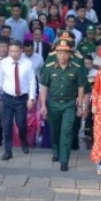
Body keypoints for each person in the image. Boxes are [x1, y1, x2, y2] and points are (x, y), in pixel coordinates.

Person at [40, 38, 87, 172]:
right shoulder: (49, 68)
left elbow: (81, 87)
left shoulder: (76, 69)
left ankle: (64, 160)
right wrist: (43, 105)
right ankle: (56, 149)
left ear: (70, 54)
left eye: (65, 52)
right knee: (55, 131)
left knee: (67, 131)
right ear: (56, 53)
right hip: (53, 104)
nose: (62, 55)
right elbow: (44, 87)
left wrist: (80, 105)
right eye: (59, 52)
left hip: (69, 104)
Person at [0, 40, 36, 160]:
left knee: (21, 124)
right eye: (11, 51)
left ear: (21, 51)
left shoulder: (27, 63)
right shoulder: (4, 63)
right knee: (6, 125)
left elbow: (32, 81)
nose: (14, 54)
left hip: (22, 98)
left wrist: (31, 97)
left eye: (16, 51)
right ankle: (8, 150)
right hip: (7, 97)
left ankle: (24, 141)